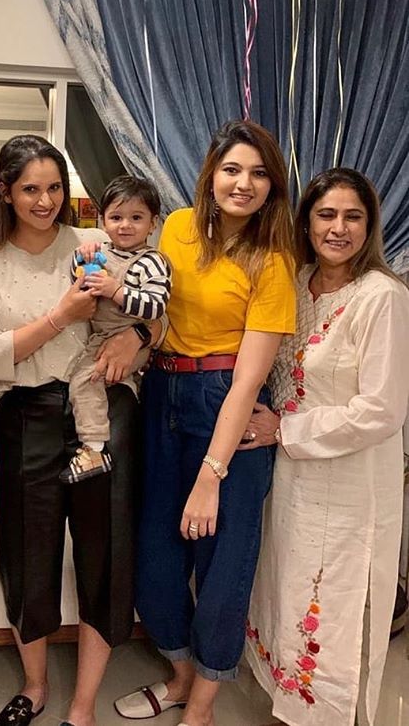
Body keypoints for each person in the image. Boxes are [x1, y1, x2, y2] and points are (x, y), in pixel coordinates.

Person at [0, 135, 155, 726]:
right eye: (30, 189)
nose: (44, 201)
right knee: (28, 551)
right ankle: (36, 685)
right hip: (27, 413)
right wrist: (60, 317)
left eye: (53, 188)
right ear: (5, 192)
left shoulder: (95, 243)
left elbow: (155, 310)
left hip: (104, 407)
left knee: (106, 550)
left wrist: (139, 337)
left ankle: (83, 704)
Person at [115, 120, 296, 726]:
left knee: (224, 562)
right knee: (155, 552)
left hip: (226, 402)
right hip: (162, 388)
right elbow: (158, 308)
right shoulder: (176, 227)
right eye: (232, 169)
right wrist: (138, 337)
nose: (243, 184)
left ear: (272, 187)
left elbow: (248, 379)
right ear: (210, 174)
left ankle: (203, 703)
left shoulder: (272, 261)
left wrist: (209, 475)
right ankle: (181, 674)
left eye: (258, 174)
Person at [243, 168, 409, 726]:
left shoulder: (383, 297)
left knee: (331, 602)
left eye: (353, 216)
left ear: (370, 225)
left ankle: (322, 716)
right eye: (327, 215)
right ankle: (287, 706)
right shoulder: (295, 283)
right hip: (289, 477)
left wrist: (284, 431)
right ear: (306, 222)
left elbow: (382, 409)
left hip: (348, 482)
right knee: (285, 588)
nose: (339, 228)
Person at [61, 175, 171, 483]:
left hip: (133, 334)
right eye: (116, 217)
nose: (125, 225)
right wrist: (81, 259)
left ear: (152, 223)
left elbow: (156, 307)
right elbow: (78, 281)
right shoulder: (101, 253)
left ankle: (94, 448)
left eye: (136, 218)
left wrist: (117, 291)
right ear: (103, 220)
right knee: (87, 377)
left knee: (86, 378)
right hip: (100, 335)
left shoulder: (152, 262)